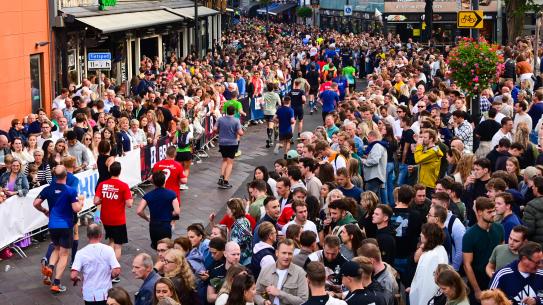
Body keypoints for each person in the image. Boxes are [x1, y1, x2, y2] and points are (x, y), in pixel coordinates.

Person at [33, 165, 83, 293]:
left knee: (56, 248)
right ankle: (56, 283)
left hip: (53, 225)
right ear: (66, 175)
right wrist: (81, 202)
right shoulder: (70, 190)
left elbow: (35, 203)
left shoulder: (48, 189)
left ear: (55, 175)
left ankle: (50, 267)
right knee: (64, 254)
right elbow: (76, 209)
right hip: (66, 225)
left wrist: (44, 210)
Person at [94, 161, 133, 281]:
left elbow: (96, 201)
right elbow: (129, 204)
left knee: (111, 241)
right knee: (118, 246)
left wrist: (104, 200)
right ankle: (114, 272)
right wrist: (129, 195)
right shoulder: (124, 186)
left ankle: (106, 265)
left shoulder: (103, 184)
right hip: (118, 219)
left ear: (110, 171)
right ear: (120, 171)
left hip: (106, 218)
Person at [463, 197, 504, 304]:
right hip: (478, 283)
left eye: (494, 210)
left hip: (496, 282)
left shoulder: (499, 228)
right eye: (489, 212)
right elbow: (467, 265)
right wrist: (477, 290)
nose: (493, 214)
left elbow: (501, 255)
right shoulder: (469, 235)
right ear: (480, 212)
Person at [70, 224, 121, 305]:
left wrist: (76, 278)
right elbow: (117, 270)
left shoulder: (80, 253)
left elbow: (73, 275)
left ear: (87, 236)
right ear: (100, 235)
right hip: (106, 293)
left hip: (89, 295)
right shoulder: (109, 249)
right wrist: (110, 277)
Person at [254, 239, 308, 305]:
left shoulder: (300, 273)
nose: (287, 257)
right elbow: (256, 293)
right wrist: (263, 302)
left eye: (290, 253)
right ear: (277, 253)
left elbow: (303, 300)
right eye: (284, 253)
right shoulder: (265, 270)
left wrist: (279, 293)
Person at [136, 171, 180, 249]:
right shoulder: (171, 194)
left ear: (153, 182)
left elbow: (139, 211)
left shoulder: (148, 195)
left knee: (157, 247)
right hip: (166, 225)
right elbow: (177, 211)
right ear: (164, 181)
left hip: (154, 224)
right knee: (166, 247)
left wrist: (146, 218)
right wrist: (168, 215)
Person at [409, 223, 449, 305]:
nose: (420, 234)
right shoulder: (439, 249)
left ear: (429, 236)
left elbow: (429, 285)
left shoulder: (432, 256)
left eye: (423, 233)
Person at [152, 146, 187, 227]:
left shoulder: (157, 164)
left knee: (160, 211)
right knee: (174, 210)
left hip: (159, 193)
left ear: (166, 153)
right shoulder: (178, 165)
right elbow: (184, 181)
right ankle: (172, 225)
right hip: (173, 193)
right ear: (175, 155)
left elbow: (152, 178)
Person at [215, 105, 244, 189]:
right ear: (234, 112)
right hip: (232, 143)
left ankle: (221, 176)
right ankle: (226, 181)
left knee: (224, 160)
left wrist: (219, 131)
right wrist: (241, 132)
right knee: (230, 162)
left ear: (226, 111)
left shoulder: (220, 119)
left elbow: (214, 128)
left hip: (222, 142)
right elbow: (240, 132)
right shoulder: (236, 120)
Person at [414, 128, 443, 193]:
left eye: (425, 137)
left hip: (429, 185)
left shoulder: (433, 151)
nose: (423, 139)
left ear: (431, 139)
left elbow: (418, 159)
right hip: (423, 183)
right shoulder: (427, 149)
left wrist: (418, 146)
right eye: (422, 137)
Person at [361, 130, 387, 197]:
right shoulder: (378, 145)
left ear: (372, 137)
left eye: (368, 138)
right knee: (375, 199)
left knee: (369, 198)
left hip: (374, 177)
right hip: (374, 176)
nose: (367, 139)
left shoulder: (377, 146)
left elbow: (375, 161)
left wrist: (364, 161)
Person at [522, 176, 543, 245]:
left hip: (537, 247)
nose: (532, 188)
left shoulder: (530, 206)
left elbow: (528, 230)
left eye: (533, 186)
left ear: (537, 188)